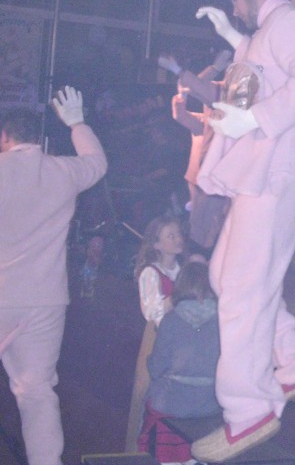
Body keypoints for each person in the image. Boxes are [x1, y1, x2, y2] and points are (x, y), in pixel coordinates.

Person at [191, 0, 295, 461]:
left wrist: (255, 119)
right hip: (268, 171)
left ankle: (249, 409)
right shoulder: (273, 29)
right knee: (224, 276)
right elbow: (270, 70)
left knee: (243, 288)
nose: (234, 8)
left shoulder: (290, 21)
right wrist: (234, 37)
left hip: (281, 171)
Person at [0, 87, 107, 465]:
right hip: (45, 300)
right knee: (36, 392)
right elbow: (97, 163)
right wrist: (77, 124)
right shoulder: (62, 171)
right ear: (38, 138)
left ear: (4, 137)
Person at [138, 257, 220, 465]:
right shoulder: (223, 322)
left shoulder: (171, 320)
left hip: (170, 404)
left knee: (147, 404)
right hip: (209, 405)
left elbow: (156, 369)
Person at [125, 215, 186, 452]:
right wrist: (178, 295)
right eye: (171, 236)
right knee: (149, 394)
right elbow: (151, 312)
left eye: (178, 234)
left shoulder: (184, 270)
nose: (178, 239)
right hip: (158, 339)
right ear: (157, 244)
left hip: (182, 342)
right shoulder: (150, 273)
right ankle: (143, 450)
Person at [161, 50, 232, 252]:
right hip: (202, 179)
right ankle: (198, 260)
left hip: (220, 180)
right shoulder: (206, 120)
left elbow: (199, 87)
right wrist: (215, 68)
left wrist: (180, 71)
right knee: (200, 231)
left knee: (211, 231)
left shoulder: (232, 100)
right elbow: (194, 91)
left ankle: (203, 258)